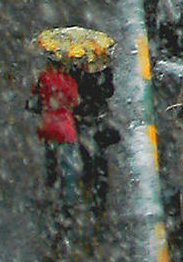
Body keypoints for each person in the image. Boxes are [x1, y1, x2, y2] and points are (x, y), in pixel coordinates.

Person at [70, 61, 120, 207]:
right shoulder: (103, 70)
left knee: (90, 156)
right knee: (97, 157)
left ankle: (93, 189)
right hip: (95, 118)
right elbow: (109, 91)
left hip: (87, 120)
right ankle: (98, 194)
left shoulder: (76, 70)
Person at [31, 58, 80, 190]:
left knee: (50, 161)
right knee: (68, 166)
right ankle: (68, 198)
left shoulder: (45, 77)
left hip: (48, 125)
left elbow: (35, 95)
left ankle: (50, 189)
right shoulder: (69, 81)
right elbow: (75, 102)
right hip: (66, 128)